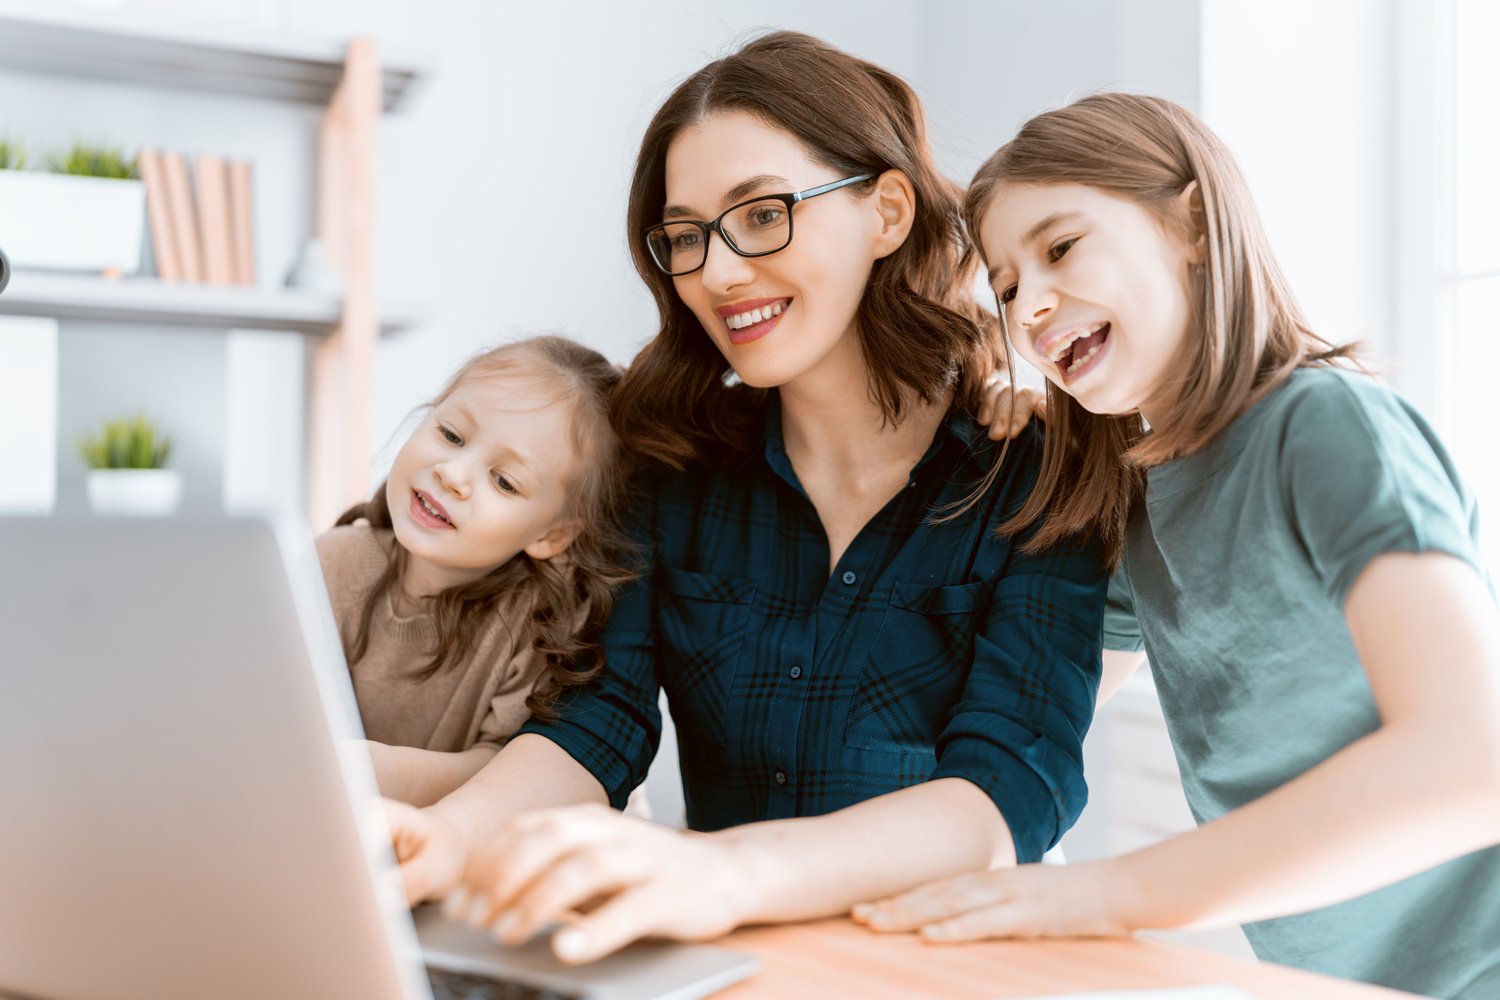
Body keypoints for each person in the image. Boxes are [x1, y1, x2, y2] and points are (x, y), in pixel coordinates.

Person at [382, 30, 1104, 964]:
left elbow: (1011, 791)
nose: (717, 274)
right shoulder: (672, 469)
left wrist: (727, 875)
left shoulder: (1036, 469)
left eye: (762, 214)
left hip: (944, 970)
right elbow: (599, 726)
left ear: (886, 213)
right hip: (730, 965)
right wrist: (453, 834)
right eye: (686, 236)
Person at [854, 93, 1500, 1000]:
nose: (1031, 305)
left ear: (1190, 223)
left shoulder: (1326, 429)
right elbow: (1027, 714)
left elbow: (1470, 762)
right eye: (1005, 289)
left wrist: (1108, 897)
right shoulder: (1140, 507)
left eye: (1062, 247)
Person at [317, 335, 631, 807]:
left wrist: (374, 772)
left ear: (551, 536)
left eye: (503, 481)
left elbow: (506, 772)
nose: (453, 473)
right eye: (450, 435)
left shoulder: (537, 626)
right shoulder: (330, 564)